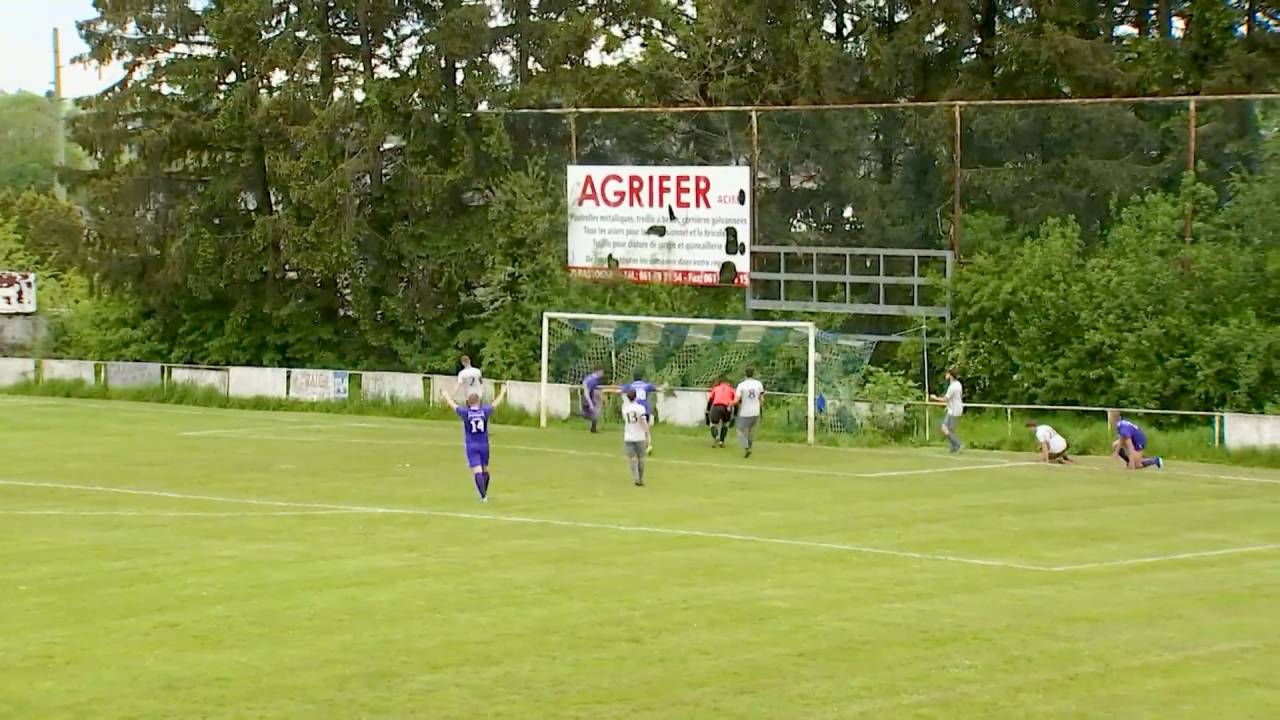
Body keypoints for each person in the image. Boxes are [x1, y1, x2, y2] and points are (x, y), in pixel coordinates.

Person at [440, 384, 508, 502]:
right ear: (479, 401)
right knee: (484, 469)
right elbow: (495, 403)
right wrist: (503, 392)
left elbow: (453, 405)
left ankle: (483, 496)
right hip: (484, 444)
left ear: (468, 402)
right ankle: (484, 494)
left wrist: (446, 395)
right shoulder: (484, 411)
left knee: (477, 471)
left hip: (472, 445)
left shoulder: (465, 413)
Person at [621, 389, 651, 486]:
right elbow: (643, 422)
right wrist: (647, 434)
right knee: (641, 458)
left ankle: (636, 477)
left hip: (629, 436)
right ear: (636, 396)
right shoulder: (641, 408)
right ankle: (640, 479)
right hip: (639, 436)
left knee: (632, 459)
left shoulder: (625, 408)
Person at [929, 369, 964, 453]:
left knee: (945, 429)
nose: (946, 376)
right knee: (949, 429)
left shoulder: (952, 387)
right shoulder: (958, 384)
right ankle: (954, 447)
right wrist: (948, 406)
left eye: (947, 374)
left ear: (950, 375)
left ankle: (958, 444)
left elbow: (945, 399)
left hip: (954, 410)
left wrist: (935, 398)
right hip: (955, 408)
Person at [625, 370, 658, 455]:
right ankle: (649, 446)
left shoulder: (631, 386)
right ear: (642, 377)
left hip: (634, 409)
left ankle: (637, 447)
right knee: (646, 428)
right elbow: (655, 388)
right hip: (645, 409)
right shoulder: (646, 385)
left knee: (636, 429)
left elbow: (621, 390)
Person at [734, 368, 765, 458]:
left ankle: (746, 447)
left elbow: (736, 400)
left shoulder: (741, 385)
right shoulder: (758, 384)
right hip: (756, 411)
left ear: (745, 374)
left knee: (739, 429)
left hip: (745, 411)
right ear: (753, 374)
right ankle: (749, 445)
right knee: (750, 430)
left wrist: (730, 404)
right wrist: (761, 409)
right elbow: (762, 398)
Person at [706, 376, 736, 448]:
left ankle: (716, 436)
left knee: (713, 424)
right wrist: (735, 414)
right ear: (728, 383)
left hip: (717, 406)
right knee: (725, 424)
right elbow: (735, 402)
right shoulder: (731, 390)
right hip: (727, 407)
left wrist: (708, 409)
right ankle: (721, 441)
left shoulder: (716, 388)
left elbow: (710, 399)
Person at [581, 366, 605, 433]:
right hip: (587, 398)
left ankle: (593, 429)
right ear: (598, 371)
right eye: (601, 372)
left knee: (593, 414)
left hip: (585, 397)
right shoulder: (593, 381)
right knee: (594, 414)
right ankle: (593, 429)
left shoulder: (589, 377)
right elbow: (587, 392)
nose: (602, 374)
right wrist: (590, 403)